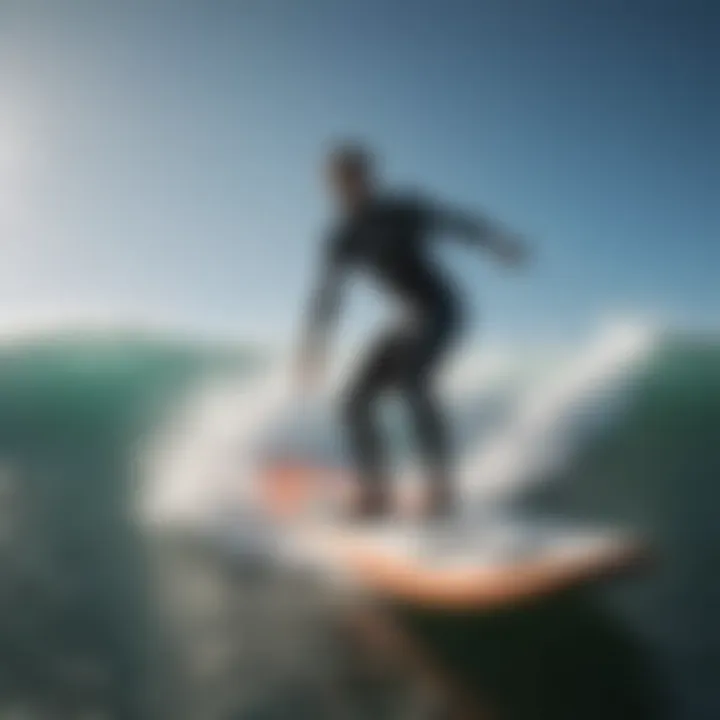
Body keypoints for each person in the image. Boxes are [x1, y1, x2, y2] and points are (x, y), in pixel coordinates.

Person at [296, 143, 529, 519]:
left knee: (412, 382)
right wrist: (313, 348)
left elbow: (457, 223)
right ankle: (376, 493)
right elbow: (327, 297)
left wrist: (499, 243)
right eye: (340, 180)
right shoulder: (341, 237)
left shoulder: (400, 211)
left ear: (368, 177)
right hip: (406, 320)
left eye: (356, 175)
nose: (350, 185)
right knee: (353, 402)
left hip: (442, 309)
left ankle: (442, 489)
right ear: (331, 185)